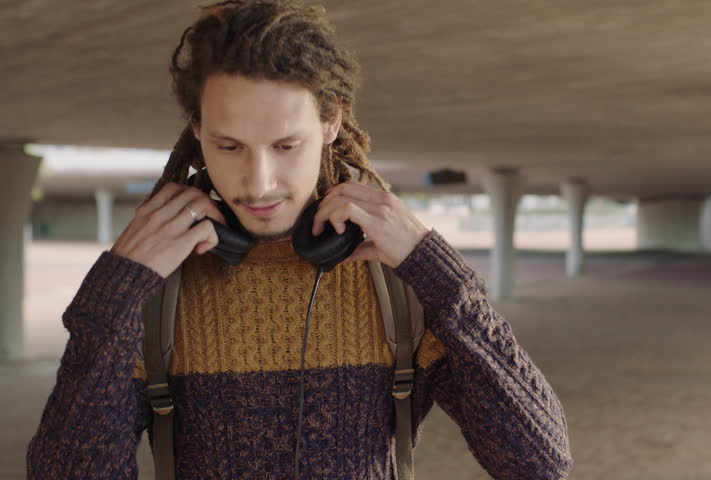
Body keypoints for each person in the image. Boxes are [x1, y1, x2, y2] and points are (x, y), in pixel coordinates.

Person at [26, 1, 574, 478]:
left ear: (332, 121)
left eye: (286, 146)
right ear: (196, 127)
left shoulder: (400, 284)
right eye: (230, 147)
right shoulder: (152, 292)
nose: (259, 183)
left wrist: (443, 277)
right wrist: (111, 298)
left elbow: (538, 460)